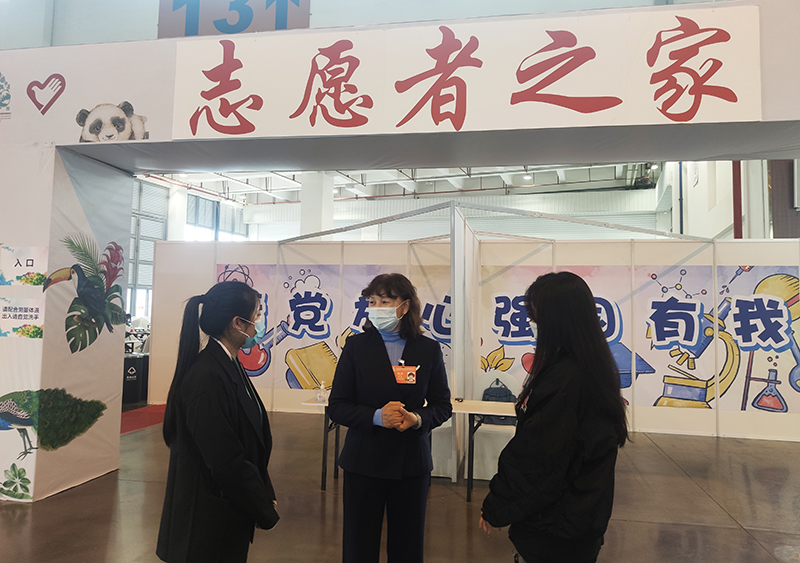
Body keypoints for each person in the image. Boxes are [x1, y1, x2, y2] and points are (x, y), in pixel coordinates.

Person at [480, 272, 628, 563]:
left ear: (558, 321)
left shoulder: (566, 381)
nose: (532, 326)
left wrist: (498, 506)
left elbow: (537, 458)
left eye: (536, 318)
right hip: (577, 522)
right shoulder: (588, 369)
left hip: (556, 529)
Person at [328, 273, 452, 563]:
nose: (377, 308)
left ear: (404, 306)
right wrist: (375, 416)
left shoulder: (427, 349)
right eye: (372, 302)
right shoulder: (356, 347)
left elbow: (442, 405)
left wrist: (418, 419)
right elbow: (337, 405)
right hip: (363, 462)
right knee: (359, 546)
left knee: (408, 546)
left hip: (410, 464)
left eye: (385, 301)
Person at [157, 281, 279, 563]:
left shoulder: (229, 364)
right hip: (205, 525)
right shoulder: (207, 377)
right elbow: (225, 460)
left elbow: (248, 437)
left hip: (227, 514)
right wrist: (262, 507)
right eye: (257, 316)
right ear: (237, 323)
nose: (259, 324)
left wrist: (263, 488)